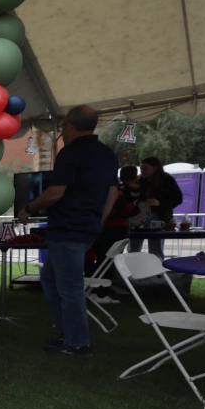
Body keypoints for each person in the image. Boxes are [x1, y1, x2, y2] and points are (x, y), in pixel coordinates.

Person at [18, 105, 119, 356]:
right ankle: (67, 332)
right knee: (50, 278)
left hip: (67, 229)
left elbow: (55, 193)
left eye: (62, 127)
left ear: (71, 126)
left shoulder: (70, 153)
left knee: (70, 287)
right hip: (86, 228)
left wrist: (28, 208)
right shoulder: (107, 154)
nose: (62, 132)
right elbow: (112, 193)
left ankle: (77, 342)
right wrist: (99, 221)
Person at [130, 156, 183, 259]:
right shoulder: (139, 180)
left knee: (155, 247)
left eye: (146, 168)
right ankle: (132, 269)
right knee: (134, 246)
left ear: (156, 168)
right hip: (139, 217)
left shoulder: (167, 180)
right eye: (141, 168)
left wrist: (159, 203)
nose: (143, 171)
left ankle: (157, 271)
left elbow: (178, 199)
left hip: (158, 217)